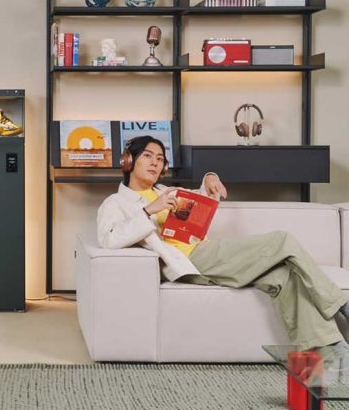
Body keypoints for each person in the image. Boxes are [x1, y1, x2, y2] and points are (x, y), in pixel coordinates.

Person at [96, 135, 349, 349]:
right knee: (282, 240)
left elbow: (197, 201)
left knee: (283, 276)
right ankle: (340, 303)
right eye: (148, 156)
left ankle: (328, 348)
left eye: (160, 158)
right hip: (189, 259)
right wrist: (148, 211)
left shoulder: (165, 191)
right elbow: (109, 239)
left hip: (203, 251)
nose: (155, 162)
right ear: (129, 161)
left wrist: (209, 180)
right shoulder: (116, 203)